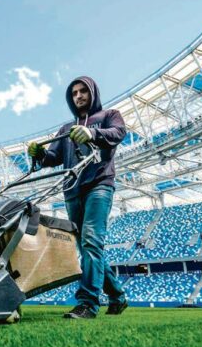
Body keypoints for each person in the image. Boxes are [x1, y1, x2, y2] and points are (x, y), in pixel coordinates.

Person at [28, 76, 128, 319]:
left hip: (99, 184)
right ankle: (118, 296)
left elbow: (118, 133)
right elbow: (52, 159)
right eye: (74, 93)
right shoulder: (65, 130)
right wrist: (39, 154)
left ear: (92, 92)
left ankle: (88, 304)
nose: (79, 96)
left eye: (83, 91)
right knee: (86, 246)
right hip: (72, 190)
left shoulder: (109, 115)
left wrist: (91, 133)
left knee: (92, 241)